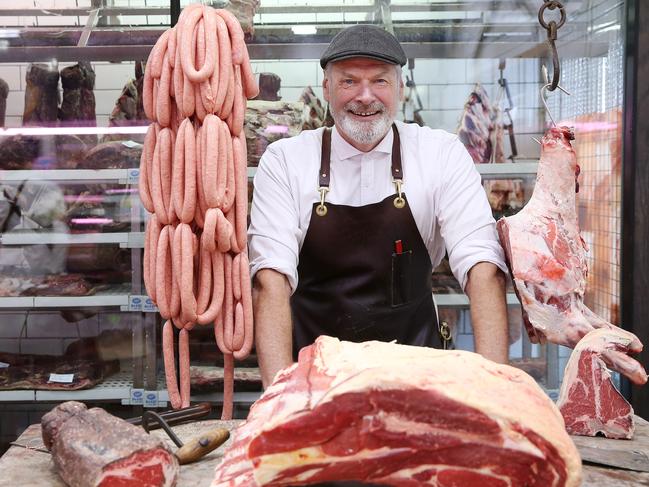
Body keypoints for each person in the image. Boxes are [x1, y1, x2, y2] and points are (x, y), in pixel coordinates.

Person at [249, 24, 509, 388]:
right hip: (314, 387)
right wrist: (278, 400)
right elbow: (270, 281)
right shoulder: (285, 161)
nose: (365, 96)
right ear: (326, 88)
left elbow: (483, 267)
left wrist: (495, 394)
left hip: (418, 380)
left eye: (381, 81)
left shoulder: (441, 154)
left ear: (400, 88)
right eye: (349, 81)